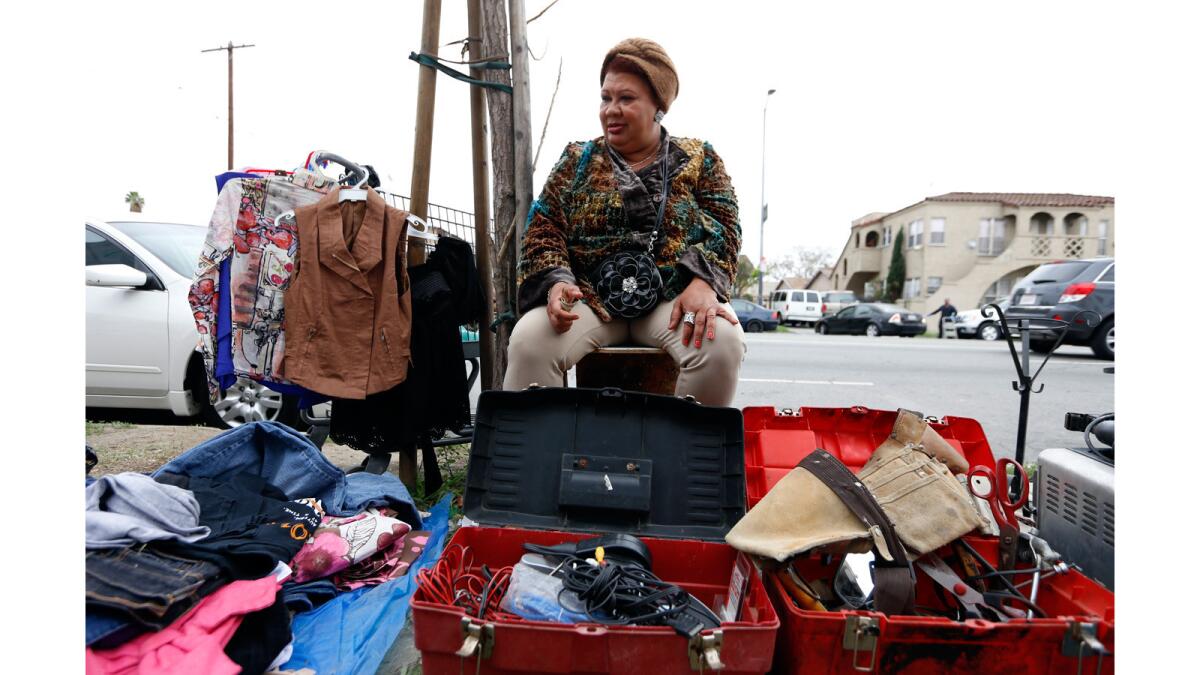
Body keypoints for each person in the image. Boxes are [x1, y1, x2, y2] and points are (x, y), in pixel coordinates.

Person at [502, 38, 745, 406]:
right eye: (606, 98)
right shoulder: (576, 160)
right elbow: (544, 227)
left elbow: (725, 223)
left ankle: (686, 458)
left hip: (671, 298)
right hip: (592, 299)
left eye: (626, 99)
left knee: (721, 343)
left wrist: (703, 280)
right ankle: (536, 458)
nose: (611, 110)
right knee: (529, 340)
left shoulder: (700, 159)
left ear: (658, 107)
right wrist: (556, 282)